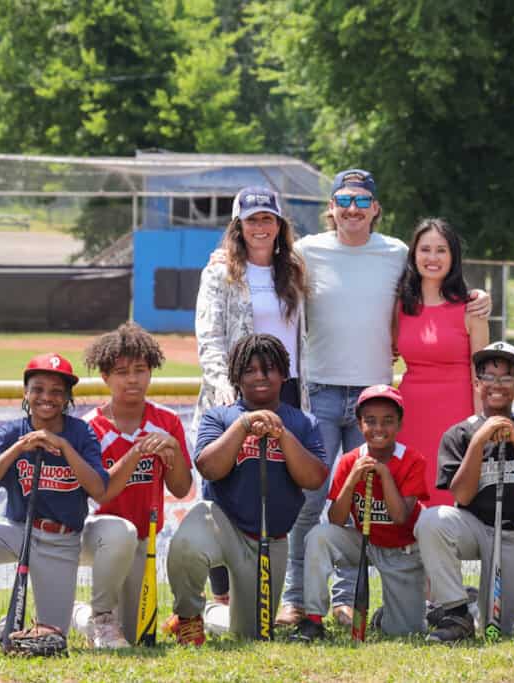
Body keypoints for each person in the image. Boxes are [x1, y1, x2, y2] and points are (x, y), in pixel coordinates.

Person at [278, 169, 491, 627]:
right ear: (331, 207)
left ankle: (349, 599)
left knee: (371, 502)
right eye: (343, 201)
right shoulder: (305, 250)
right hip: (321, 392)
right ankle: (295, 598)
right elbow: (261, 257)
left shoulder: (396, 253)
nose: (352, 209)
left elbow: (439, 281)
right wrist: (223, 256)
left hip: (376, 401)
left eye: (362, 201)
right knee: (314, 499)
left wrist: (478, 296)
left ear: (375, 208)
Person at [164, 333, 328, 644]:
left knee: (253, 634)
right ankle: (187, 615)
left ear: (283, 374)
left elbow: (314, 479)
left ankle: (211, 614)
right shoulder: (220, 416)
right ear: (236, 376)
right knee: (187, 544)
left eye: (268, 369)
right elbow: (209, 468)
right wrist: (242, 425)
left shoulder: (303, 422)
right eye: (249, 370)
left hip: (270, 539)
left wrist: (282, 435)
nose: (260, 377)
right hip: (223, 524)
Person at [195, 185, 309, 605]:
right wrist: (224, 385)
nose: (260, 227)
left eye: (267, 219)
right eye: (251, 220)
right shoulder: (220, 272)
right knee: (225, 491)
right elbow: (208, 337)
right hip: (235, 393)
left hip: (288, 390)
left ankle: (274, 591)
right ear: (238, 226)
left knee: (281, 490)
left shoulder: (295, 270)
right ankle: (221, 595)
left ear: (279, 225)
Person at [0, 353, 108, 655]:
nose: (46, 397)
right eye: (37, 389)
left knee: (49, 638)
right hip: (18, 532)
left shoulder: (80, 433)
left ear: (67, 398)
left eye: (56, 391)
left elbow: (99, 489)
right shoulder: (12, 433)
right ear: (26, 393)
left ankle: (10, 624)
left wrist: (63, 447)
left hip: (61, 541)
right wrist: (19, 448)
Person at [72, 322, 194, 648]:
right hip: (99, 535)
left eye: (140, 370)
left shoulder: (166, 421)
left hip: (143, 540)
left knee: (138, 637)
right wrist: (137, 453)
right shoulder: (89, 428)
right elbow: (101, 492)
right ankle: (98, 616)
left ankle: (79, 615)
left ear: (151, 373)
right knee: (119, 535)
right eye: (121, 371)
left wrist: (173, 453)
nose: (132, 379)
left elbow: (182, 489)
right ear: (105, 378)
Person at [415, 341, 514, 643]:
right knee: (432, 521)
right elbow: (461, 496)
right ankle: (457, 610)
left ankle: (474, 605)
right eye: (488, 376)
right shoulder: (459, 433)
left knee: (497, 628)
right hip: (472, 527)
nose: (496, 385)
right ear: (476, 383)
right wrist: (479, 440)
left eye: (506, 377)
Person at [292, 385, 429, 641]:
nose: (379, 429)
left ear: (400, 424)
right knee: (319, 535)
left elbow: (400, 517)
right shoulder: (349, 460)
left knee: (404, 631)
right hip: (363, 544)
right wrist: (352, 479)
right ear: (359, 424)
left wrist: (385, 475)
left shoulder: (413, 460)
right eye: (370, 421)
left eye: (388, 421)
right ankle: (312, 620)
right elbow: (336, 520)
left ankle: (386, 615)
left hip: (402, 550)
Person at [395, 218, 488, 508]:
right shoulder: (400, 305)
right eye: (425, 249)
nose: (432, 258)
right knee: (414, 496)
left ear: (453, 257)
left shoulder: (472, 306)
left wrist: (481, 428)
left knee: (452, 501)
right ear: (413, 255)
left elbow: (482, 375)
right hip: (410, 416)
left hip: (457, 416)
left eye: (441, 250)